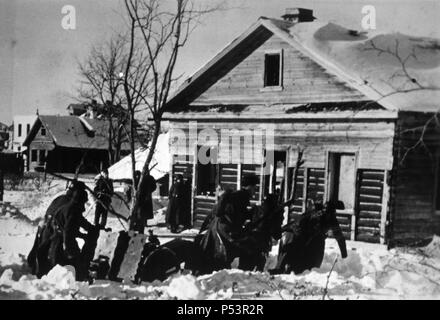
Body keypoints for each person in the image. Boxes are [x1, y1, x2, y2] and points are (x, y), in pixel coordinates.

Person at [27, 181, 96, 278]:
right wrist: (89, 229)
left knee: (40, 251)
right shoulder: (72, 204)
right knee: (52, 257)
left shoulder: (60, 198)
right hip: (52, 230)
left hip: (45, 226)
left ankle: (34, 267)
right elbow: (73, 223)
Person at [198, 174, 259, 272]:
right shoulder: (242, 197)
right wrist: (252, 214)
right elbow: (238, 218)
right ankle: (245, 273)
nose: (255, 191)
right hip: (226, 230)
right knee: (250, 247)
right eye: (255, 187)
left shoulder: (237, 195)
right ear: (250, 186)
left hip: (219, 227)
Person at [272, 200, 348, 275]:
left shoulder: (327, 219)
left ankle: (290, 269)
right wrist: (281, 231)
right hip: (300, 238)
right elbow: (296, 223)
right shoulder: (315, 216)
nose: (327, 214)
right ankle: (285, 269)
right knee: (297, 261)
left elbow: (340, 237)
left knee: (308, 269)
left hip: (311, 243)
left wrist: (344, 254)